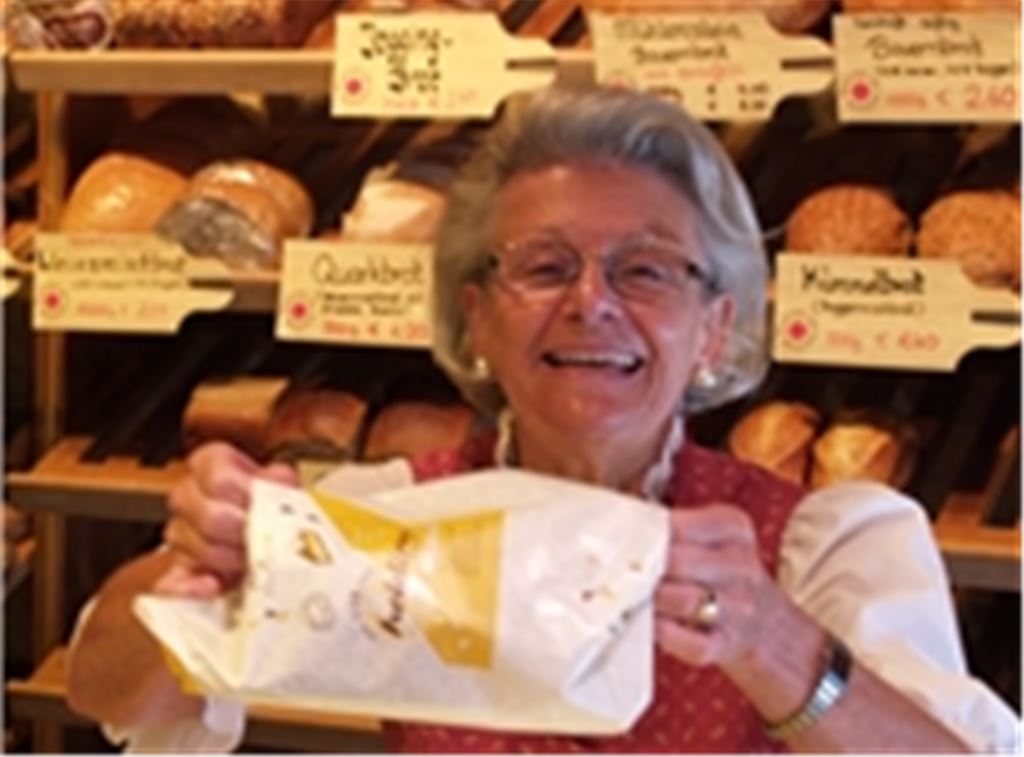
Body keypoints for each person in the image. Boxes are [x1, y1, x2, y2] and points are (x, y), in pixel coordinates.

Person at [66, 86, 1018, 753]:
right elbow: (109, 692)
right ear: (477, 315)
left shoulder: (827, 545)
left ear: (713, 327)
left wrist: (775, 644)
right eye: (545, 265)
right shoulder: (386, 520)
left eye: (646, 269)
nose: (591, 302)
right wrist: (192, 562)